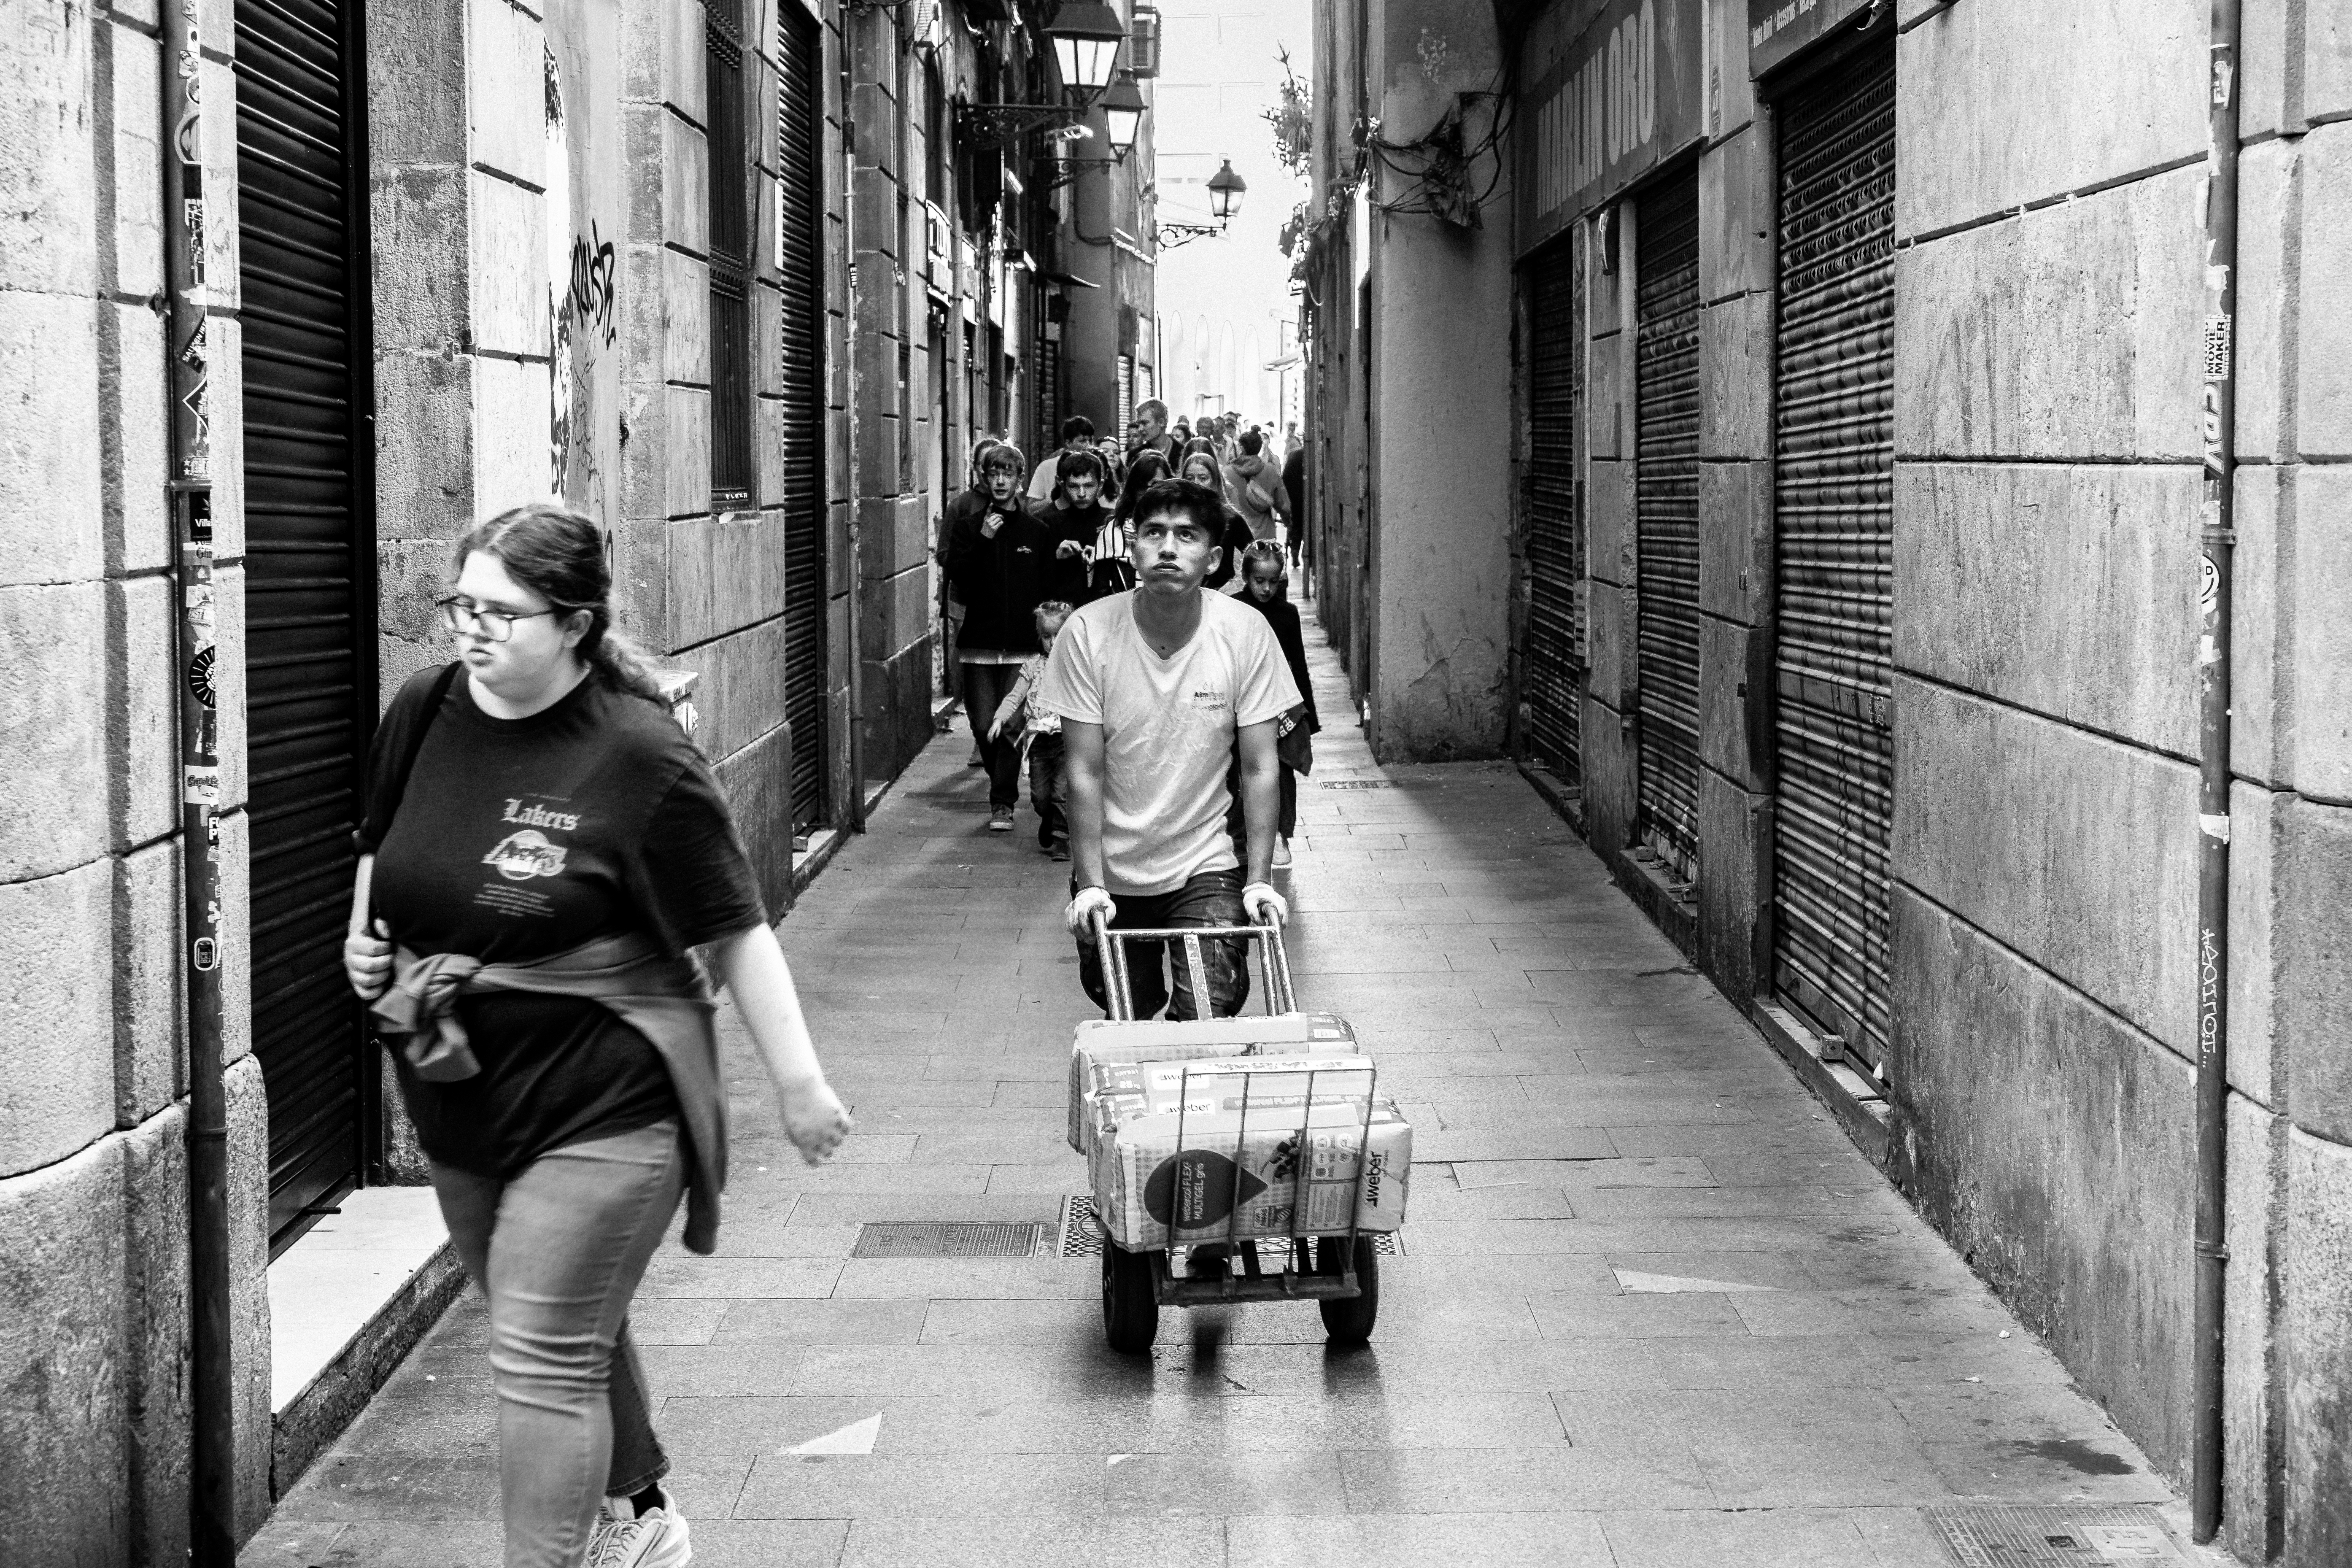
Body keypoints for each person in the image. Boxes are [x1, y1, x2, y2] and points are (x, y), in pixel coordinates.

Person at [340, 502, 852, 1568]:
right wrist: (362, 941)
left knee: (536, 1349)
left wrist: (798, 1082)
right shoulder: (424, 707)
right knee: (554, 1314)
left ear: (574, 625)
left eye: (501, 611)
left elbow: (737, 930)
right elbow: (377, 842)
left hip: (608, 1100)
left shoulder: (638, 756)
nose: (471, 629)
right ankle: (642, 1508)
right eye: (461, 605)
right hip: (458, 1086)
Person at [1036, 478, 1301, 1021]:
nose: (1167, 548)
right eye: (1153, 533)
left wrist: (1260, 880)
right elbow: (1083, 769)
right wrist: (1089, 886)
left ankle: (1193, 1108)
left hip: (1204, 864)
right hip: (1112, 870)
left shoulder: (1245, 633)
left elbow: (1258, 767)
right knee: (1130, 1017)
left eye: (1187, 535)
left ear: (1214, 557)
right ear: (1132, 547)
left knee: (1206, 1011)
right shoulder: (1087, 633)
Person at [944, 441, 1052, 833]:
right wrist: (983, 540)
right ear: (985, 479)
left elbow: (1047, 586)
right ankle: (1001, 780)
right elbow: (960, 578)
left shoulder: (1037, 531)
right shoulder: (968, 528)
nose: (1001, 480)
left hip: (1023, 645)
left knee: (1008, 726)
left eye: (1009, 473)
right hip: (979, 645)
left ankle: (1002, 801)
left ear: (1021, 480)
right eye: (995, 473)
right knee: (981, 725)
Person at [1235, 540, 1319, 870]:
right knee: (1241, 770)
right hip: (1244, 703)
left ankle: (1282, 834)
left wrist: (1307, 713)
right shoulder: (1235, 610)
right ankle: (1243, 834)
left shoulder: (1288, 614)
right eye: (1260, 580)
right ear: (1246, 577)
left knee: (1281, 771)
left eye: (1273, 581)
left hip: (1281, 707)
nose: (1267, 588)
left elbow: (1298, 663)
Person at [989, 600, 1075, 858]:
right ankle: (1048, 819)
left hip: (1065, 738)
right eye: (1047, 636)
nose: (1052, 642)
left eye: (1058, 635)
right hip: (1038, 740)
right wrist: (999, 719)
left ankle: (1062, 839)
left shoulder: (1077, 664)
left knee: (1062, 790)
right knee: (1040, 796)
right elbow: (1015, 697)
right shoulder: (1033, 666)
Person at [941, 435, 1005, 767]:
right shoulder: (961, 506)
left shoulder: (1018, 507)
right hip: (965, 602)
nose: (994, 476)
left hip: (1004, 601)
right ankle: (981, 736)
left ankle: (999, 732)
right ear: (978, 469)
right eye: (987, 467)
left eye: (1000, 469)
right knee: (975, 669)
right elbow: (944, 554)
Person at [1176, 443, 1254, 593]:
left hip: (1220, 594)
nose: (1196, 484)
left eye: (1203, 478)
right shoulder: (1175, 518)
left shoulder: (1230, 517)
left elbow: (1254, 553)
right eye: (1190, 478)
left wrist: (1237, 584)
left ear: (1215, 481)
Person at [1041, 448, 1113, 604]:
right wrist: (1057, 558)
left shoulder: (1112, 522)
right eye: (1074, 486)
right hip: (1065, 609)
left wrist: (1104, 556)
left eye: (1088, 486)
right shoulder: (1050, 524)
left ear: (1100, 485)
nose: (1081, 493)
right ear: (1063, 485)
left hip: (1105, 608)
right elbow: (1041, 581)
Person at [1225, 428, 1289, 547]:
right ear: (1259, 448)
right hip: (1265, 537)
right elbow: (1284, 506)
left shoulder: (1227, 472)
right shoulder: (1270, 470)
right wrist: (1289, 524)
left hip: (1237, 538)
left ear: (1240, 448)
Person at [1027, 414, 1096, 506]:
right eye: (1083, 441)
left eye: (1091, 441)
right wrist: (1058, 500)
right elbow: (1032, 507)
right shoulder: (1047, 467)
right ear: (1068, 443)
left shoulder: (1097, 465)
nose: (1089, 446)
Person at [1280, 432, 1307, 573]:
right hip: (1305, 499)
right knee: (1306, 528)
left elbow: (1285, 478)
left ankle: (1295, 554)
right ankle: (1305, 557)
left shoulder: (1294, 455)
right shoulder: (1310, 455)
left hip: (1295, 499)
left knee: (1295, 527)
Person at [1125, 398, 1176, 464]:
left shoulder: (1183, 452)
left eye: (1144, 423)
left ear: (1161, 423)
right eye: (1139, 424)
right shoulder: (1135, 455)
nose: (1140, 428)